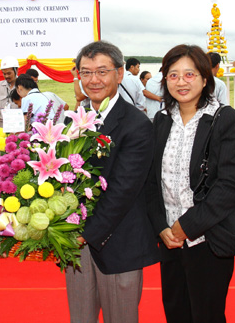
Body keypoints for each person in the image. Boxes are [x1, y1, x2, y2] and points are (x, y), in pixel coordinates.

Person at [147, 44, 235, 323]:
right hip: (169, 240)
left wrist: (186, 226)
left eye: (189, 74)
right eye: (173, 75)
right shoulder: (161, 120)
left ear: (205, 79)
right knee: (176, 311)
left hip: (209, 239)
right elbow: (151, 181)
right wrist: (162, 227)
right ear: (165, 80)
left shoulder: (225, 119)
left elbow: (231, 185)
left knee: (207, 314)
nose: (181, 82)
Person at [65, 40, 159, 323]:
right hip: (76, 245)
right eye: (86, 72)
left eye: (102, 71)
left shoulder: (136, 125)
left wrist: (84, 234)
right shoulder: (76, 122)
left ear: (119, 74)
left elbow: (122, 192)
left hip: (118, 242)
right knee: (81, 318)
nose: (94, 80)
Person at [0, 56, 19, 126]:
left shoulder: (23, 86)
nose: (6, 76)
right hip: (2, 126)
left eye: (9, 73)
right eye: (4, 73)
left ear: (16, 71)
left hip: (18, 126)